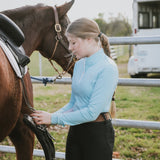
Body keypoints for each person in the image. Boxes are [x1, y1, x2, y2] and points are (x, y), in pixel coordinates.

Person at [31, 17, 119, 160]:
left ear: (89, 39)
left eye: (73, 43)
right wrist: (49, 118)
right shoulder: (78, 65)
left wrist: (54, 118)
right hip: (76, 130)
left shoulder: (108, 68)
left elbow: (92, 112)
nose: (70, 48)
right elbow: (73, 103)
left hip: (97, 134)